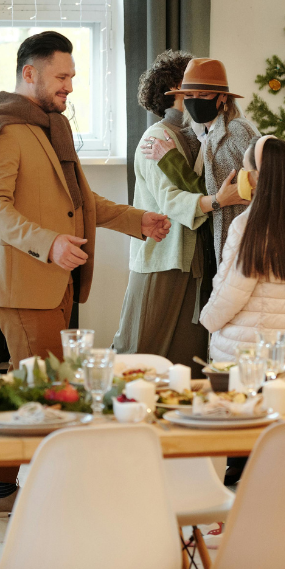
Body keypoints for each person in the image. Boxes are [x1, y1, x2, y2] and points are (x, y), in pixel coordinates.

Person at [0, 30, 171, 514]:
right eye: (61, 76)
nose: (70, 86)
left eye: (73, 76)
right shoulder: (4, 127)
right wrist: (49, 243)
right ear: (29, 73)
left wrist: (134, 220)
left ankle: (1, 489)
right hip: (22, 278)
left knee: (30, 382)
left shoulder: (50, 126)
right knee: (48, 386)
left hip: (58, 278)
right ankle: (60, 487)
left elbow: (81, 201)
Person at [114, 50, 237, 372]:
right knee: (141, 349)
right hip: (163, 256)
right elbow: (172, 199)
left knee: (186, 357)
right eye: (191, 86)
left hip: (194, 258)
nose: (197, 94)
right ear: (175, 90)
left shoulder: (201, 135)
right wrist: (218, 201)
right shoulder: (157, 137)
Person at [199, 136, 285, 375]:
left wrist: (207, 321)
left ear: (258, 177)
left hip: (256, 362)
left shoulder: (248, 227)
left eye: (246, 170)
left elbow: (231, 294)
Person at [139, 58, 259, 264]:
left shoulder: (237, 129)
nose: (195, 101)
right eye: (189, 95)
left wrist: (171, 160)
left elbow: (216, 191)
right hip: (215, 244)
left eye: (203, 95)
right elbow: (211, 193)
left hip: (243, 242)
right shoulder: (197, 135)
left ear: (222, 97)